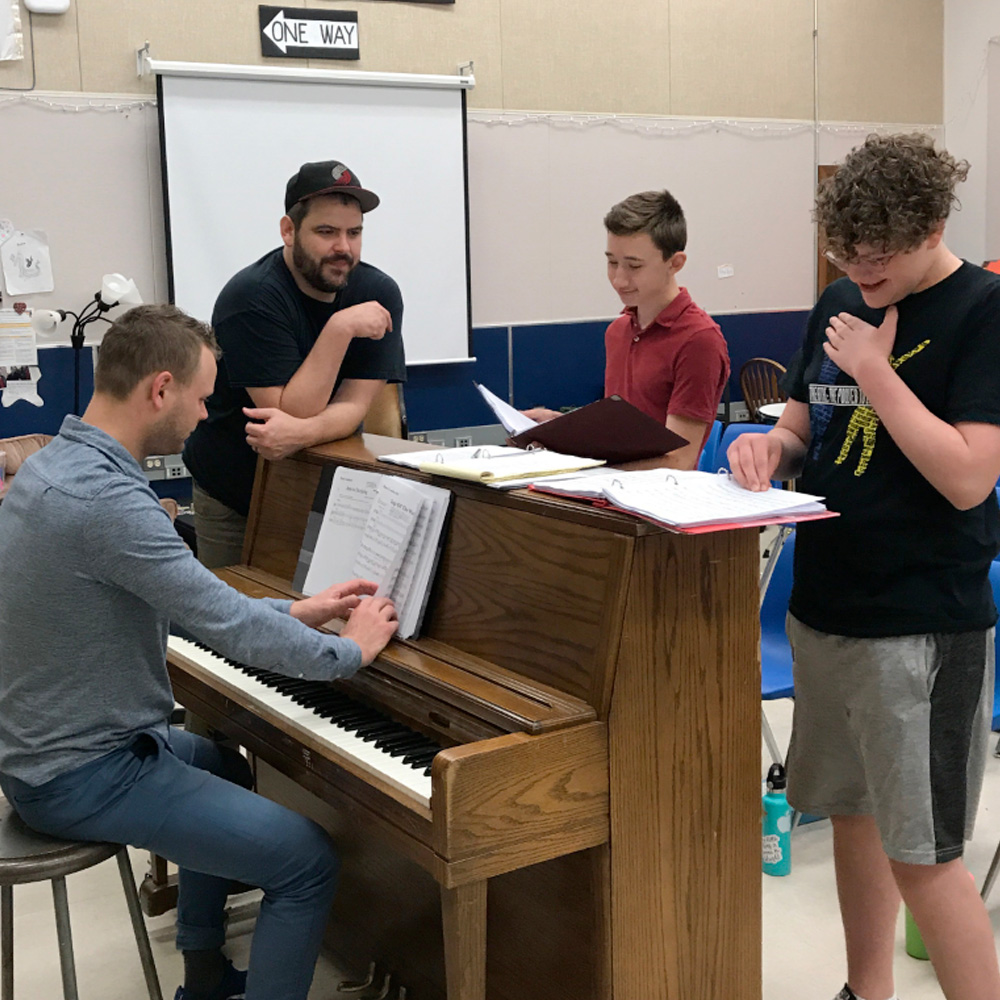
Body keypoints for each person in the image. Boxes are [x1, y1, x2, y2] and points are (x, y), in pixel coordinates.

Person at [0, 304, 399, 1000]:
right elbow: (227, 626)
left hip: (49, 747)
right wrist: (349, 655)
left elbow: (183, 597)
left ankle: (207, 976)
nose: (205, 412)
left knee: (220, 763)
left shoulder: (54, 464)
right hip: (80, 771)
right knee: (307, 861)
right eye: (203, 395)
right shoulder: (108, 503)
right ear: (161, 389)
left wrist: (298, 610)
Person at [728, 133, 1000, 1000]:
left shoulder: (983, 310)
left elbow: (966, 477)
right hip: (828, 604)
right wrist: (773, 445)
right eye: (846, 253)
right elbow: (809, 420)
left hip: (922, 622)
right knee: (851, 813)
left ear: (933, 224)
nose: (858, 271)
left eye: (878, 256)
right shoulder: (841, 298)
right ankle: (865, 990)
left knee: (925, 856)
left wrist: (878, 372)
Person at [183, 159, 407, 568]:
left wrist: (301, 435)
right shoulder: (249, 298)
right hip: (235, 490)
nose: (344, 247)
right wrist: (339, 328)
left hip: (324, 488)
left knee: (321, 614)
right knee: (234, 618)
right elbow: (290, 410)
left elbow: (353, 407)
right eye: (326, 232)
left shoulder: (378, 292)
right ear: (289, 231)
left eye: (354, 233)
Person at [525, 189, 730, 469]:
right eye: (612, 263)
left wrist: (587, 469)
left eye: (634, 266)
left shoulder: (699, 340)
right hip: (611, 496)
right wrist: (557, 428)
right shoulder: (618, 332)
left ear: (675, 263)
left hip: (660, 504)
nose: (619, 280)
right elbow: (618, 434)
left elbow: (679, 460)